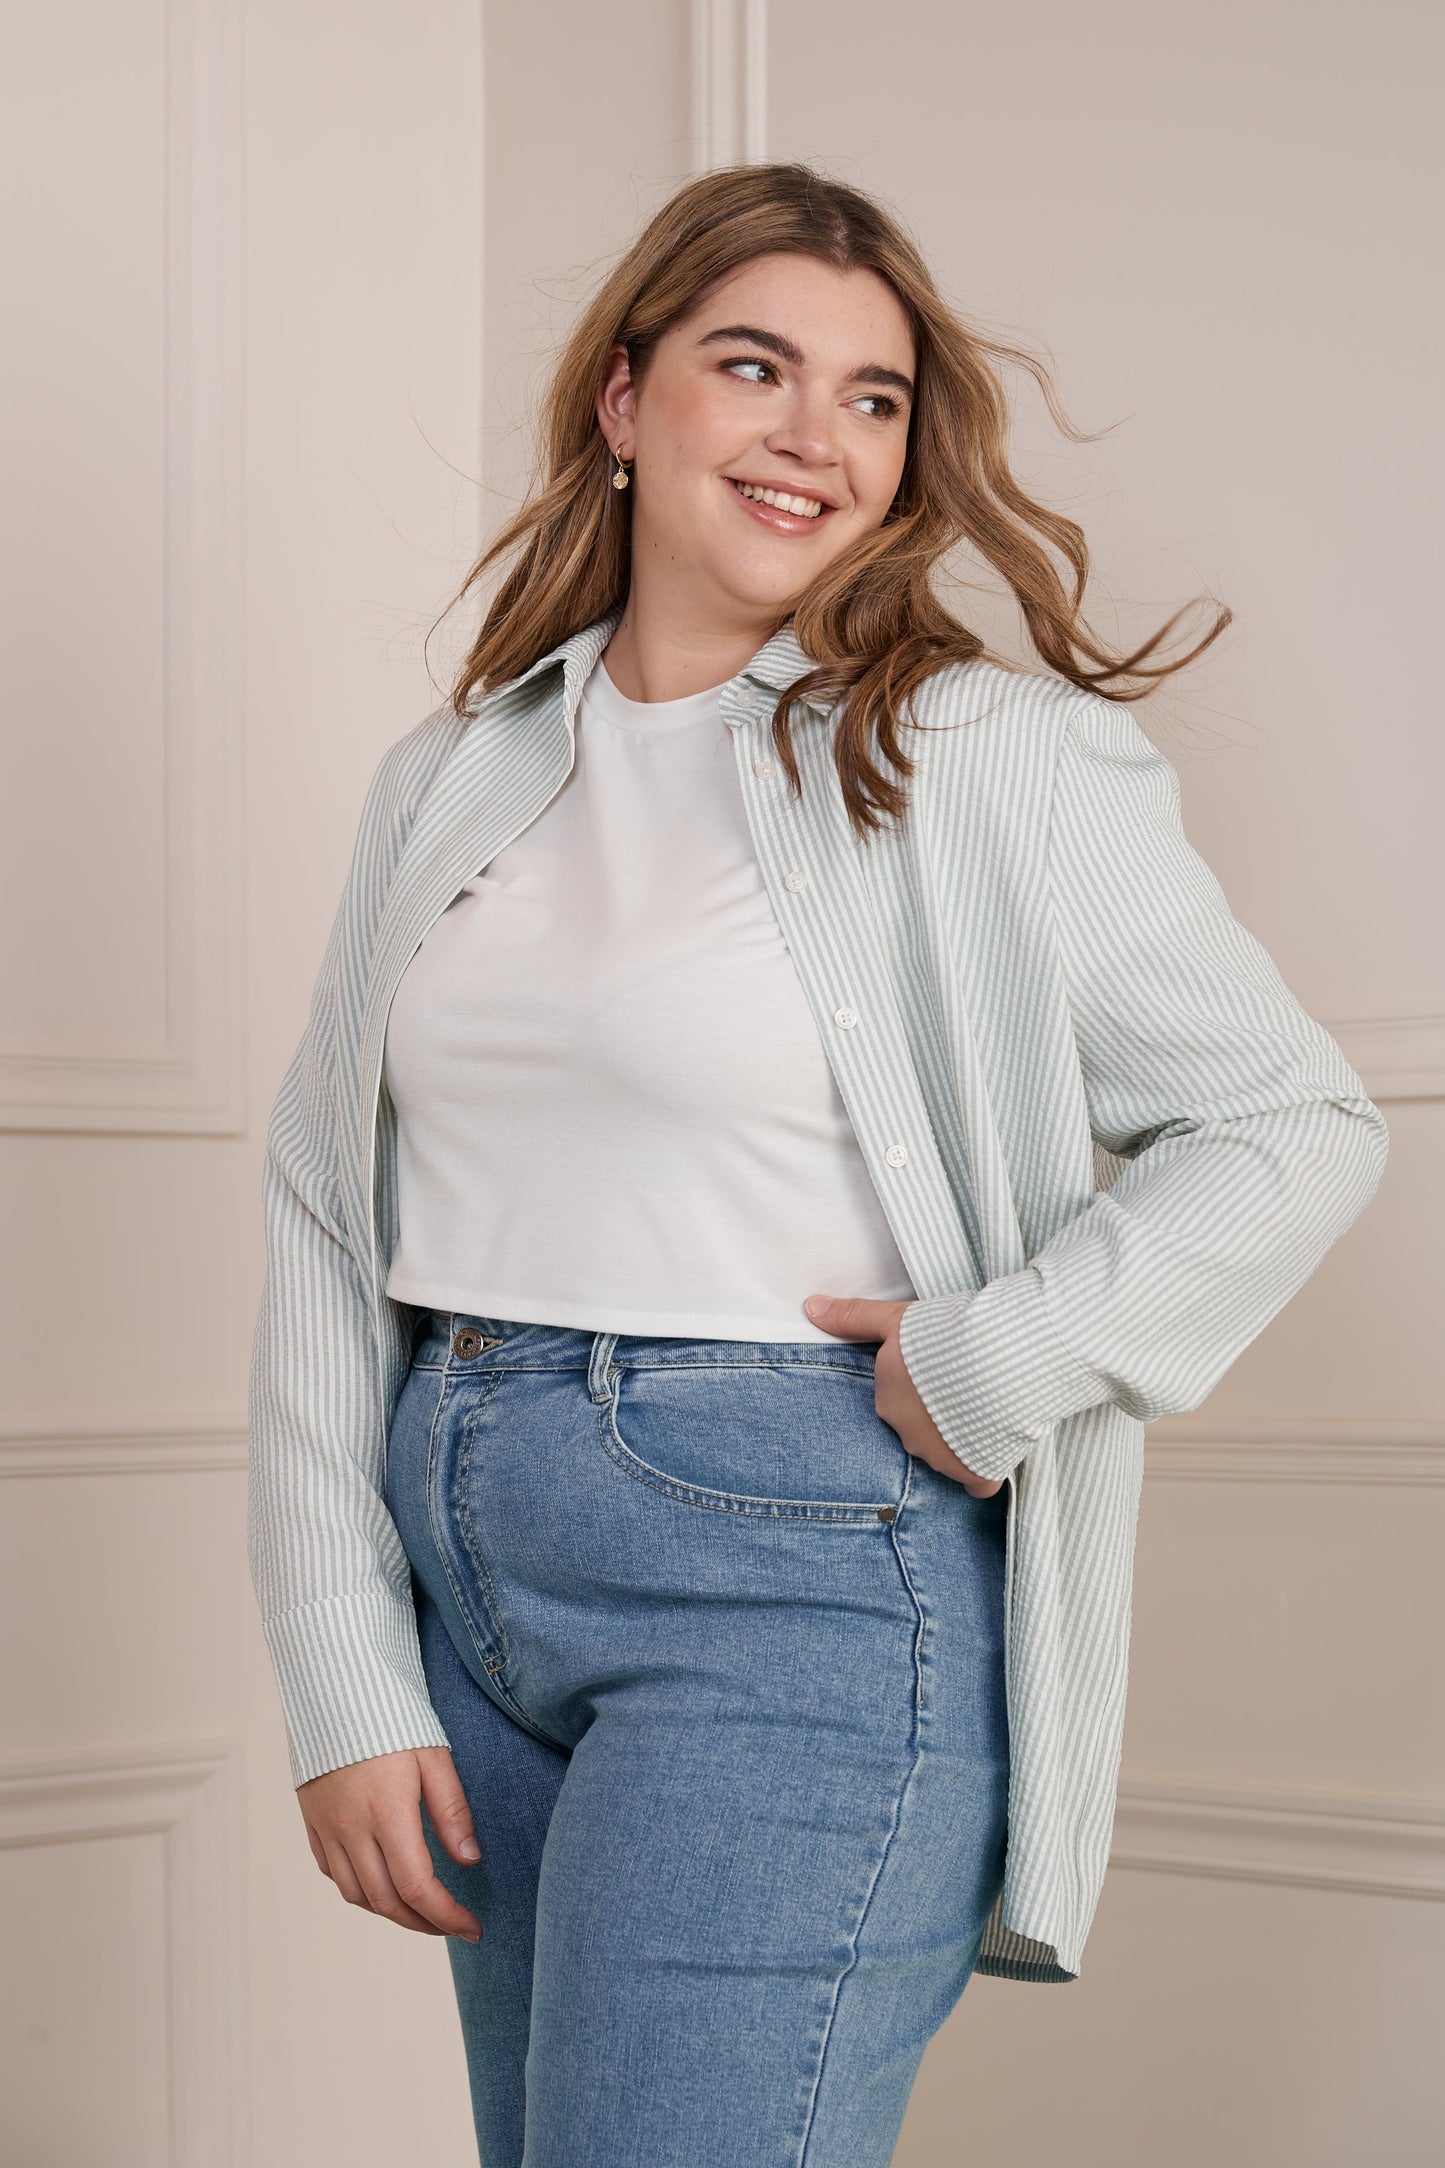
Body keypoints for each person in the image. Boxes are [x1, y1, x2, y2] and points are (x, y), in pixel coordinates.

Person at [247, 161, 1389, 2167]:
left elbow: (1289, 1121)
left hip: (798, 1579)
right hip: (468, 1560)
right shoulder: (453, 774)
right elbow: (329, 1221)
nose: (814, 436)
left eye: (872, 397)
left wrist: (1000, 1352)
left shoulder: (980, 755)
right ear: (625, 399)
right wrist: (345, 1672)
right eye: (754, 367)